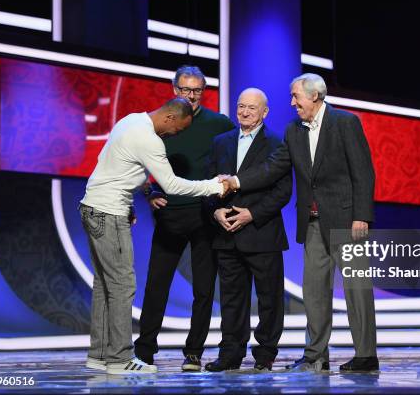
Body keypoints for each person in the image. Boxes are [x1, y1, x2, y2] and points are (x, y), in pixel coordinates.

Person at [222, 73, 379, 372]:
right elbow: (272, 168)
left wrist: (362, 216)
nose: (292, 103)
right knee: (314, 291)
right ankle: (316, 356)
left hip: (347, 221)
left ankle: (366, 354)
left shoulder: (345, 123)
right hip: (313, 223)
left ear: (315, 96)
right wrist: (237, 181)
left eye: (296, 97)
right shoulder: (294, 130)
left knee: (356, 289)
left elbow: (363, 172)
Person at [79, 98, 228, 375]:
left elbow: (113, 166)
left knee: (104, 285)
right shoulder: (150, 140)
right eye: (178, 130)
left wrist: (136, 198)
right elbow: (171, 184)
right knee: (123, 285)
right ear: (170, 118)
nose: (175, 135)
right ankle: (120, 359)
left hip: (93, 207)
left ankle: (99, 355)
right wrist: (213, 186)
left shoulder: (130, 119)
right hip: (108, 214)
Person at [134, 66, 235, 371]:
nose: (191, 96)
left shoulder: (219, 123)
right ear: (174, 89)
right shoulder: (162, 121)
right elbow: (136, 160)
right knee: (156, 285)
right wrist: (149, 191)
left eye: (197, 91)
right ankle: (144, 351)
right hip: (169, 215)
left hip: (205, 215)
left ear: (204, 91)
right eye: (185, 90)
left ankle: (193, 353)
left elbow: (234, 160)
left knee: (203, 289)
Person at [204, 88, 291, 372]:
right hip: (226, 232)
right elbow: (207, 184)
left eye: (251, 108)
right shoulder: (220, 142)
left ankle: (265, 353)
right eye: (241, 106)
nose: (244, 112)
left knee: (269, 299)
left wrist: (252, 214)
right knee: (231, 299)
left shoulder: (278, 143)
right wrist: (214, 210)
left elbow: (283, 192)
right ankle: (230, 353)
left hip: (262, 232)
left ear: (265, 112)